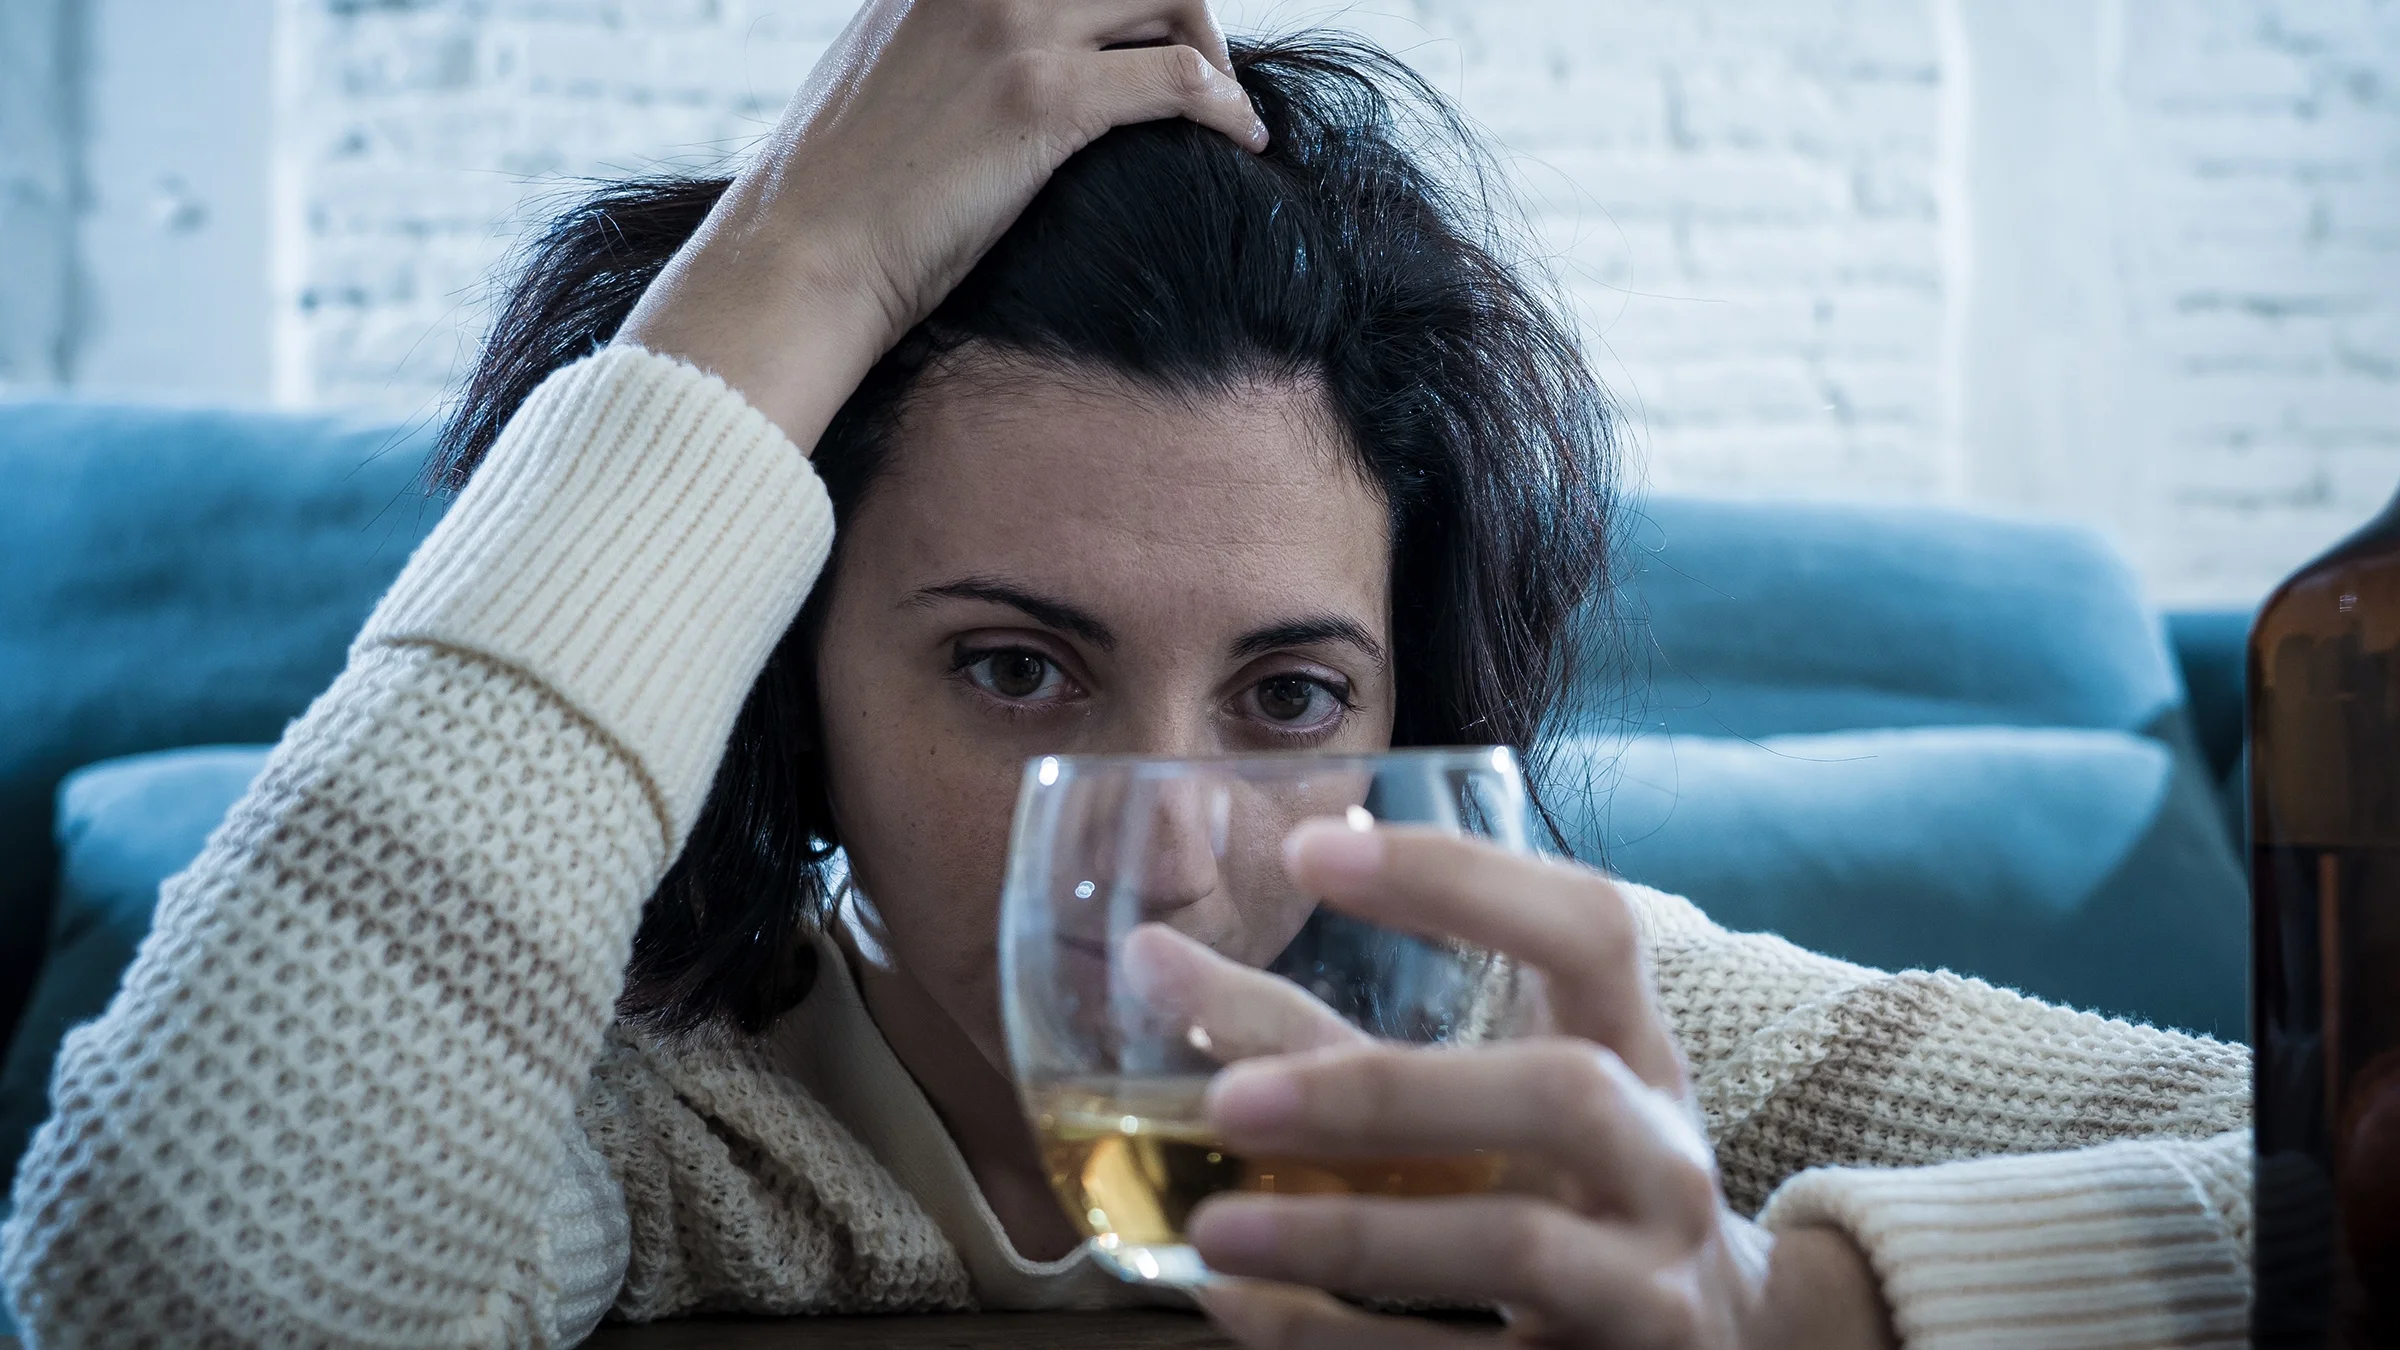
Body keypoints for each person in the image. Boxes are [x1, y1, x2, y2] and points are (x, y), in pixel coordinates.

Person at [2, 5, 2249, 1347]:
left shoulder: (1525, 1056)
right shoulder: (656, 1118)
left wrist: (1801, 1312)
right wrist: (796, 259)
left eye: (1287, 698)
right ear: (794, 684)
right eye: (1012, 670)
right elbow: (178, 1294)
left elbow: (2324, 1180)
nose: (1163, 855)